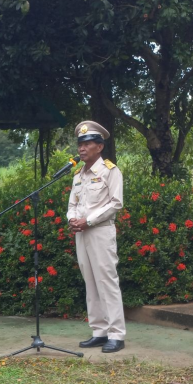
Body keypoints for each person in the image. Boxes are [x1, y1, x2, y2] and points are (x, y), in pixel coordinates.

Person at [66, 121, 126, 353]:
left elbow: (116, 204)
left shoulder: (110, 171)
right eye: (80, 144)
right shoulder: (78, 175)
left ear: (99, 147)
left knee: (106, 282)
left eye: (87, 143)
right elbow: (73, 203)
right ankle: (99, 331)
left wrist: (88, 221)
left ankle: (116, 334)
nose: (82, 148)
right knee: (90, 282)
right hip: (81, 234)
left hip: (100, 232)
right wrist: (72, 219)